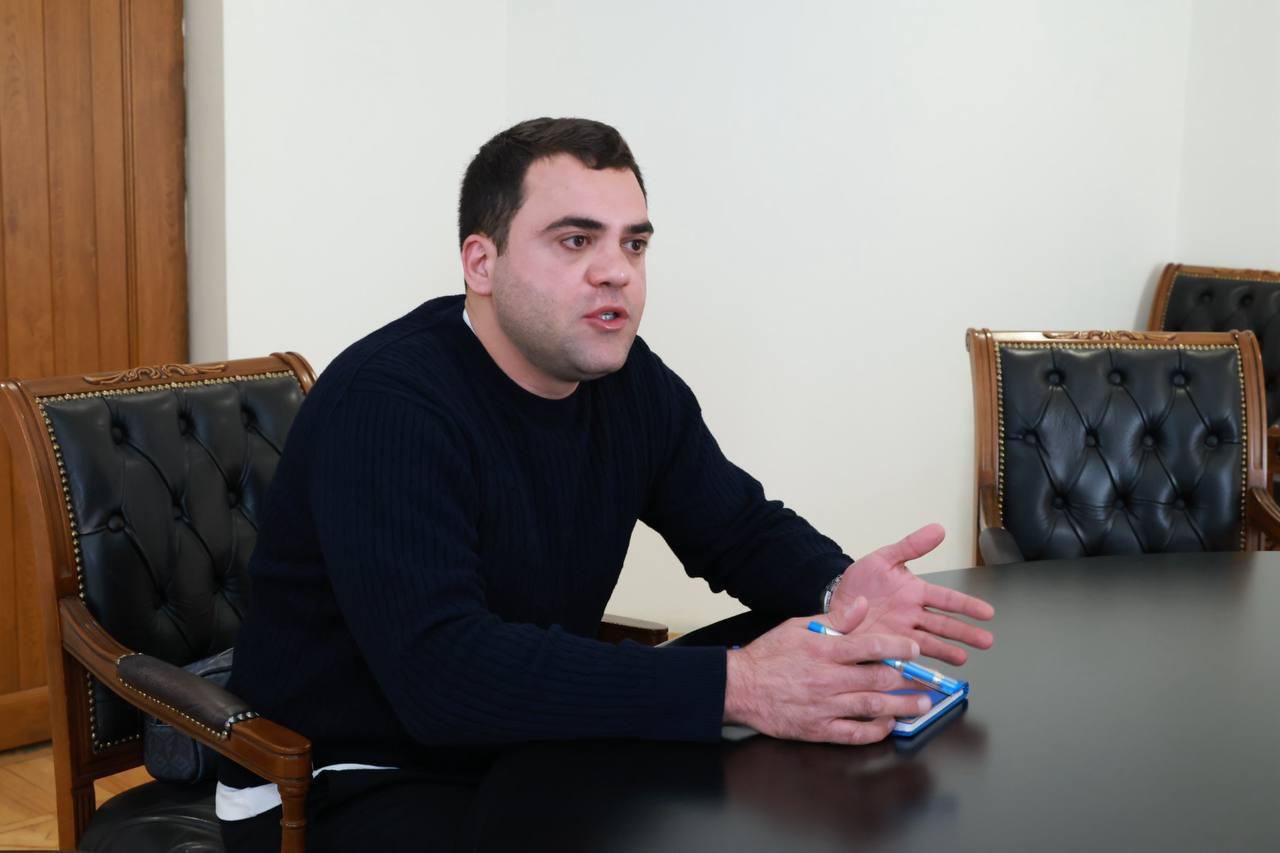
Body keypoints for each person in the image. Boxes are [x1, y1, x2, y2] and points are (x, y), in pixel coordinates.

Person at [217, 117, 994, 851]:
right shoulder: (388, 406)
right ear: (481, 263)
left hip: (518, 746)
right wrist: (739, 683)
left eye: (634, 243)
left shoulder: (624, 382)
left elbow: (736, 526)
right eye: (575, 240)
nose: (616, 270)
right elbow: (444, 674)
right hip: (338, 780)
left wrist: (837, 588)